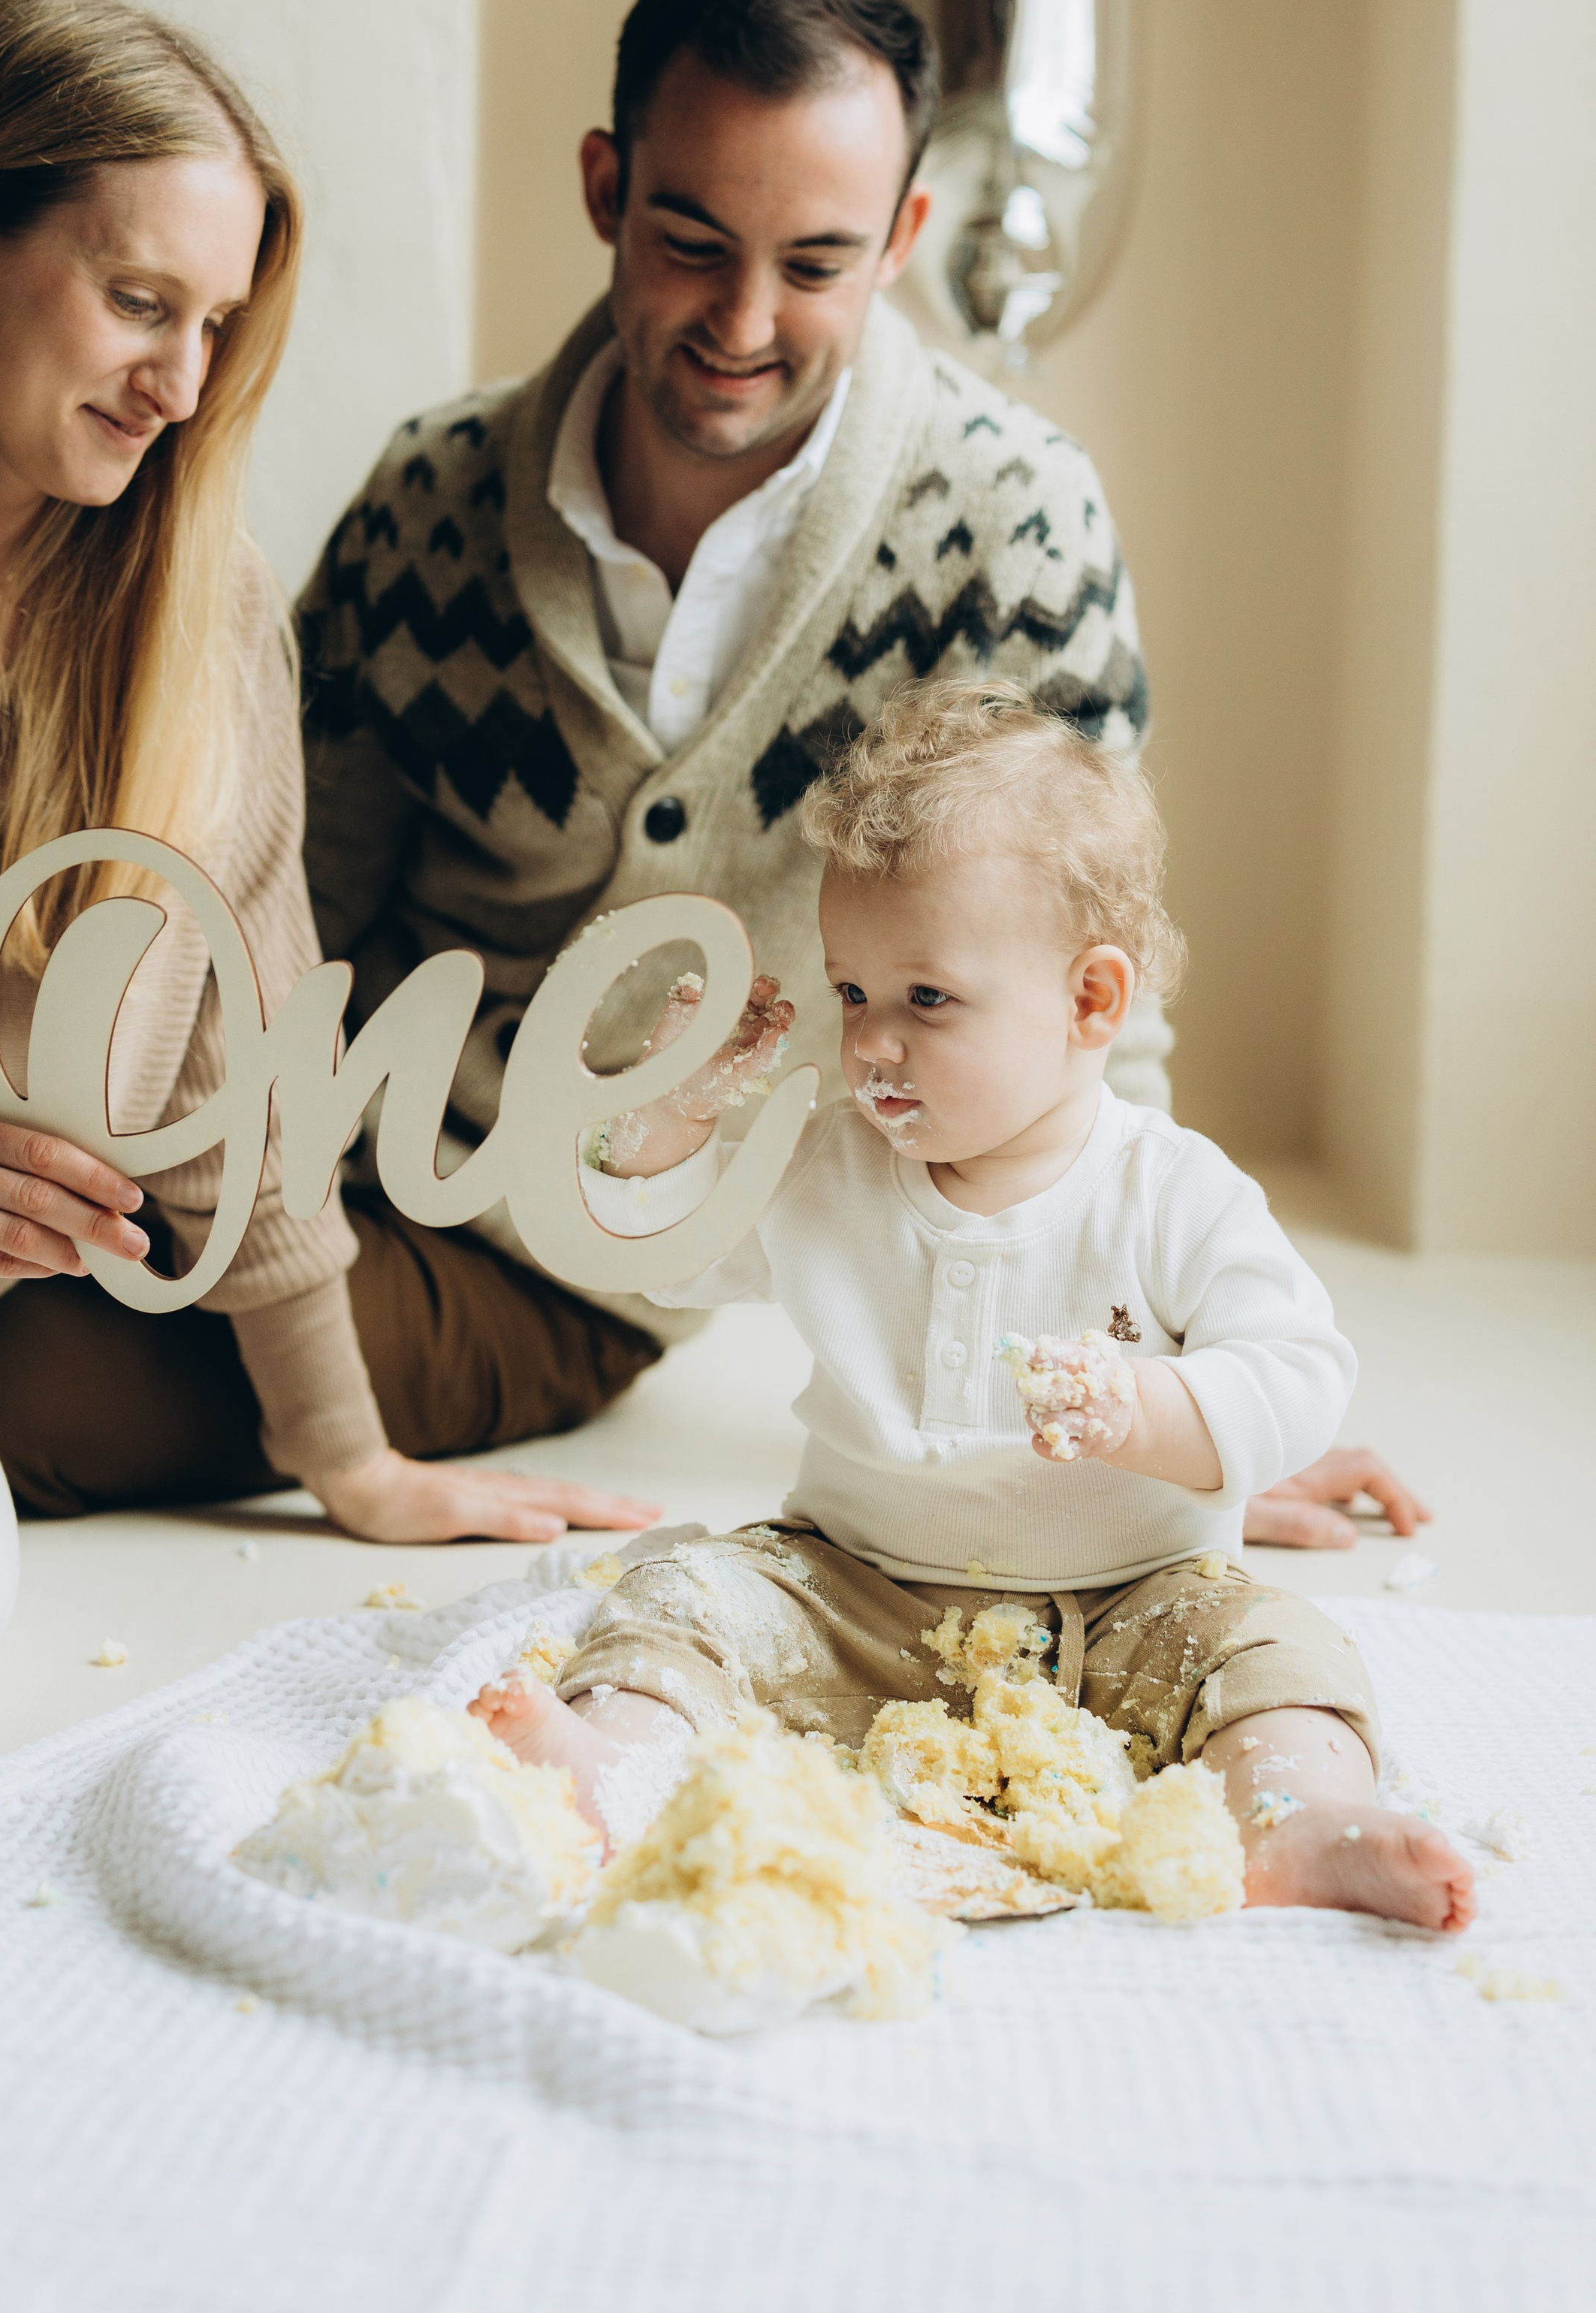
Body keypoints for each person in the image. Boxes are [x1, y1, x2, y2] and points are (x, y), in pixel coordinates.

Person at [297, 0, 1426, 1553]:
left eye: (816, 263)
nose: (742, 322)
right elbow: (289, 903)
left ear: (903, 238)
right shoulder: (427, 499)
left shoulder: (1009, 520)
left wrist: (1181, 1411)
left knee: (62, 1392)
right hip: (329, 1167)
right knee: (24, 1288)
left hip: (552, 1258)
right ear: (605, 189)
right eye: (690, 242)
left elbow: (1082, 972)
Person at [0, 0, 648, 1720]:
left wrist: (350, 1462)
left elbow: (247, 1081)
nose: (180, 385)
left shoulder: (202, 623)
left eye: (215, 326)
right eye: (139, 303)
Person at [474, 681, 1475, 1934]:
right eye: (851, 995)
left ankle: (1296, 1818)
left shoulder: (1167, 1190)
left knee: (1279, 1655)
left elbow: (1298, 1371)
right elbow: (662, 1257)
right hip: (852, 1592)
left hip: (1134, 1600)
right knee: (684, 1596)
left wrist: (1151, 1407)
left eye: (927, 1001)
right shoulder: (822, 1160)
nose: (872, 1046)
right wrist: (675, 1117)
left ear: (1091, 1004)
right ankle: (613, 1766)